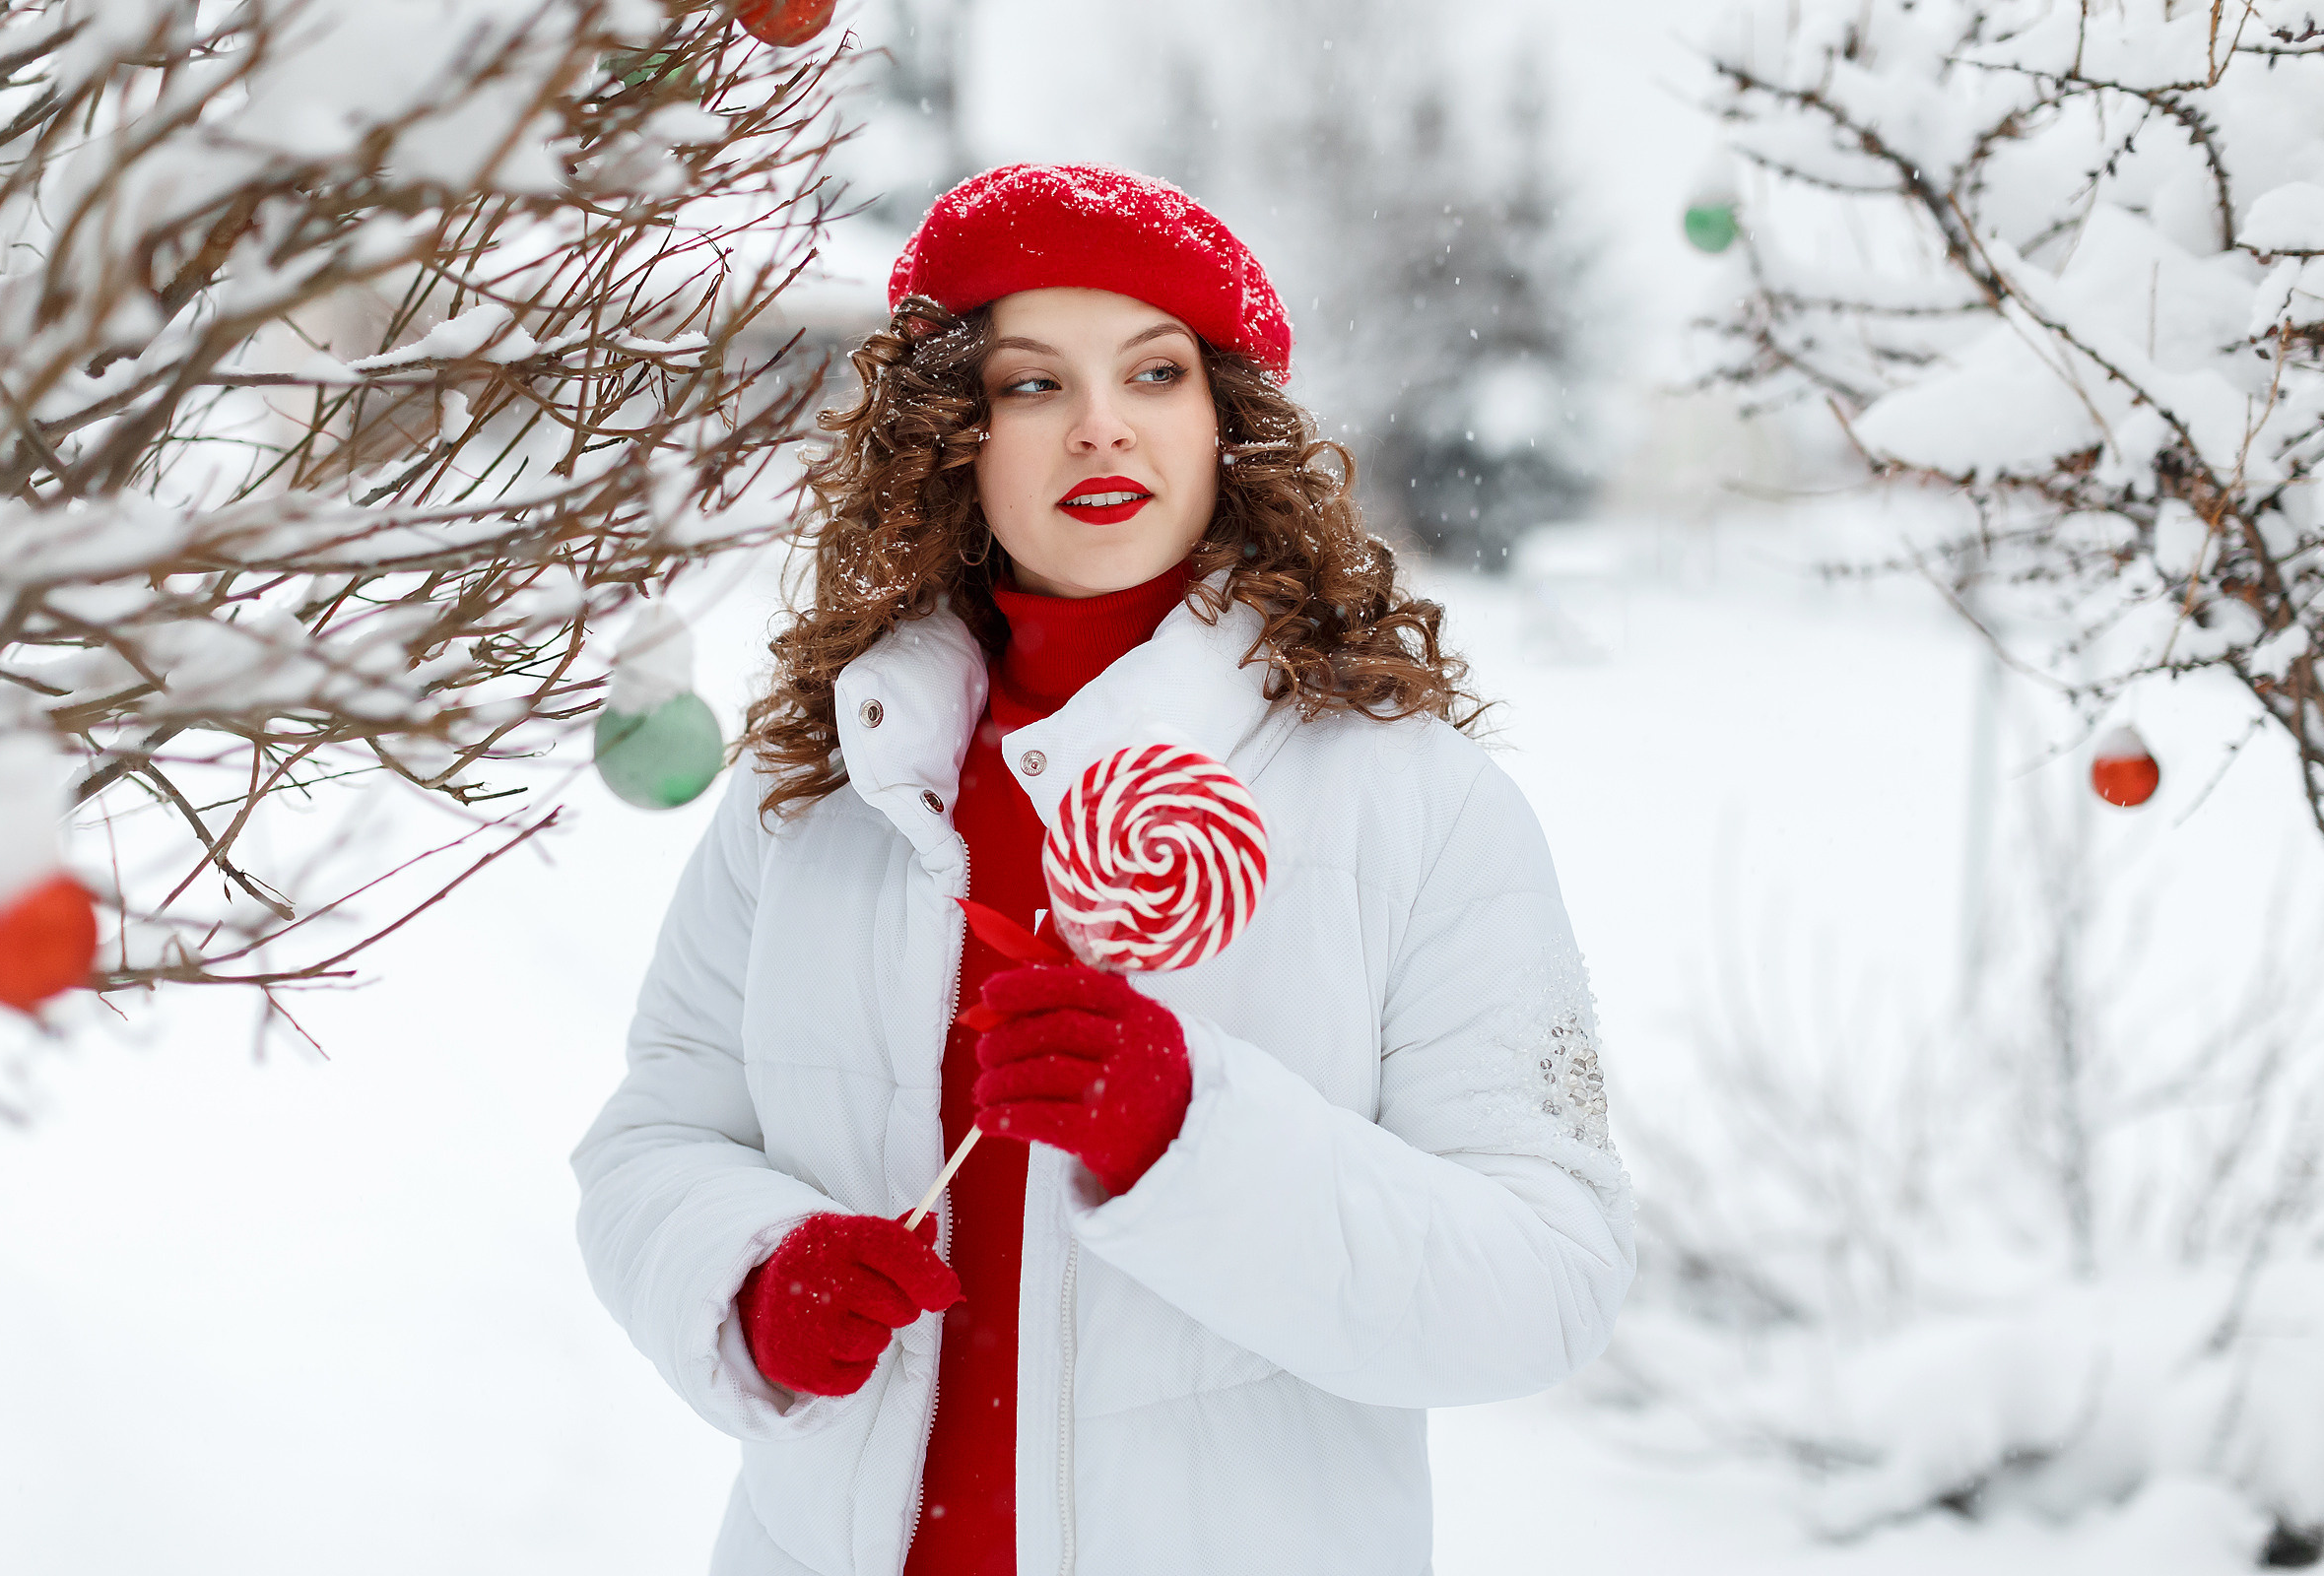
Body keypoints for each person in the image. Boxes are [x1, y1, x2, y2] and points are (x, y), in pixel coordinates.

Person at [571, 164, 1633, 1576]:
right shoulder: (831, 788)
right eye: (1032, 385)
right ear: (952, 437)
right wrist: (754, 1277)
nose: (1100, 426)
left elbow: (1546, 1283)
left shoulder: (1412, 802)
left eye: (1155, 372)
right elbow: (652, 1145)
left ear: (1225, 422)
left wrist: (1193, 1137)